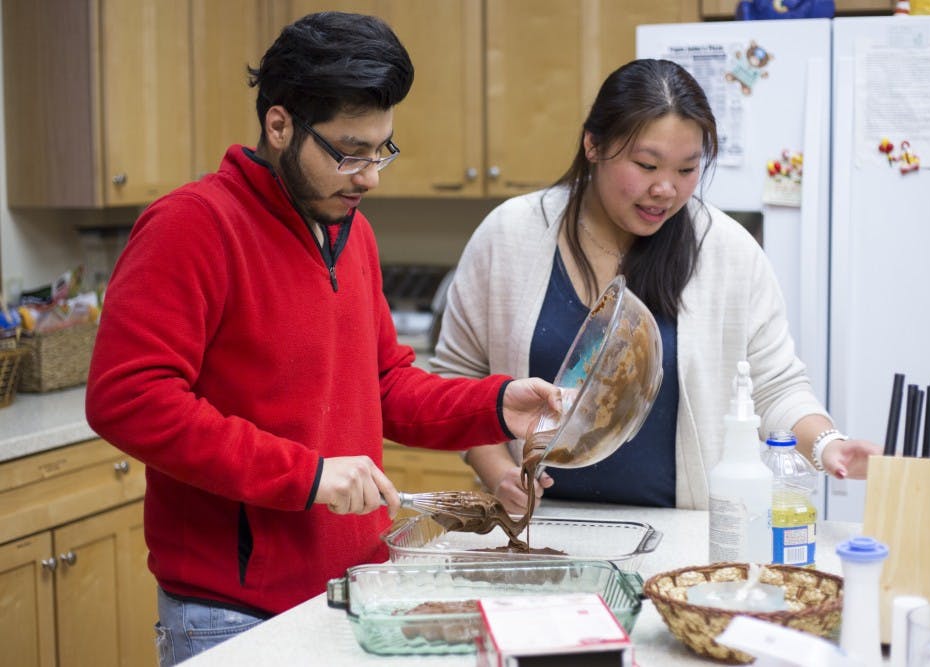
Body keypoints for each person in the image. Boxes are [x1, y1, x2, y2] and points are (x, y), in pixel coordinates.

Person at [85, 12, 560, 664]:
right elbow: (127, 399)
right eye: (349, 151)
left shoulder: (348, 229)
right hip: (231, 615)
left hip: (351, 590)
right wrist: (305, 476)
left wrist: (495, 403)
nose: (370, 175)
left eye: (381, 149)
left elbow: (385, 384)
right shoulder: (191, 227)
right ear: (279, 125)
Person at [430, 59, 882, 515]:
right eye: (647, 165)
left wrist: (828, 445)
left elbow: (775, 387)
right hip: (538, 528)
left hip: (682, 536)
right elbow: (456, 377)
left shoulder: (727, 251)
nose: (665, 189)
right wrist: (499, 471)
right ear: (593, 145)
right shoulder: (510, 235)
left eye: (687, 170)